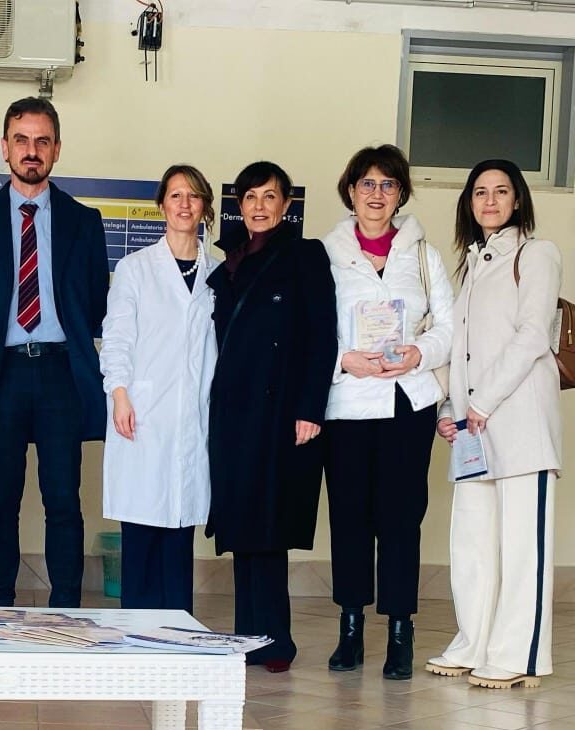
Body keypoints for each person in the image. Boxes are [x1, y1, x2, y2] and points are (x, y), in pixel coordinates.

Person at [0, 97, 108, 609]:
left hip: (61, 372)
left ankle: (65, 608)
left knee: (63, 499)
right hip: (0, 374)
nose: (31, 150)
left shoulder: (84, 221)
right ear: (5, 147)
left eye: (42, 141)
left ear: (57, 149)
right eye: (21, 140)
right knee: (0, 500)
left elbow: (95, 303)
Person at [320, 145, 454, 680]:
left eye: (388, 184)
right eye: (367, 184)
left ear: (401, 194)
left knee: (401, 518)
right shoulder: (324, 254)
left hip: (407, 403)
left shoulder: (423, 256)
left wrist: (420, 352)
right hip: (348, 405)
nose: (377, 194)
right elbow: (310, 329)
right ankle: (350, 628)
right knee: (349, 517)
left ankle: (401, 632)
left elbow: (449, 326)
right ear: (351, 191)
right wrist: (343, 359)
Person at [427, 159, 562, 690]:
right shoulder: (470, 265)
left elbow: (533, 335)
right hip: (473, 431)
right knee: (472, 542)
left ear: (518, 199)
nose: (489, 200)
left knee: (522, 544)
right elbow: (459, 350)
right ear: (469, 202)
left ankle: (517, 654)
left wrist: (479, 403)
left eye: (501, 191)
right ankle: (474, 643)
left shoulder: (537, 254)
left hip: (520, 424)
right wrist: (449, 411)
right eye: (480, 192)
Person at [204, 161, 336, 672]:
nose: (259, 206)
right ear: (239, 205)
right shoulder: (231, 258)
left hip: (282, 409)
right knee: (242, 523)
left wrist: (310, 408)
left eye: (270, 196)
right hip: (233, 410)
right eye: (250, 197)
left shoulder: (305, 254)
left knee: (271, 524)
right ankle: (246, 636)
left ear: (286, 204)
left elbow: (322, 335)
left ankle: (277, 640)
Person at [99, 164, 217, 613]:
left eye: (193, 195)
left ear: (205, 206)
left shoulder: (218, 272)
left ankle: (177, 629)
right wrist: (120, 394)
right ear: (162, 205)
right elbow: (117, 338)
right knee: (142, 523)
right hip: (142, 412)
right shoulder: (135, 269)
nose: (184, 204)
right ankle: (136, 630)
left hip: (193, 415)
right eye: (175, 195)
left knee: (180, 526)